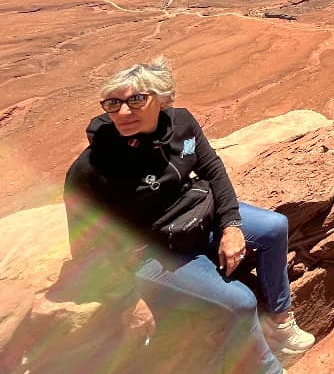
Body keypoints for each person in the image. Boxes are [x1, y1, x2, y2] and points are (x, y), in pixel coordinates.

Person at [64, 60, 315, 372]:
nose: (123, 113)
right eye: (113, 103)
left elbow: (213, 170)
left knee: (275, 227)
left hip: (198, 218)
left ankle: (279, 325)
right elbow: (86, 245)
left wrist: (232, 225)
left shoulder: (181, 123)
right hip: (155, 251)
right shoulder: (93, 166)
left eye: (136, 100)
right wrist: (128, 299)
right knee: (241, 302)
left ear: (164, 98)